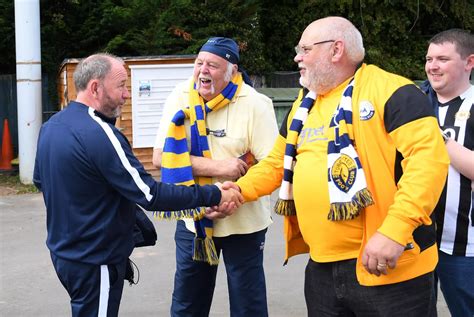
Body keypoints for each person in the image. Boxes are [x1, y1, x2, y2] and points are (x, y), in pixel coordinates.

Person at [220, 17, 450, 316]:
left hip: (389, 265)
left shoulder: (395, 92)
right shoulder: (305, 105)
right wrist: (239, 190)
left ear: (336, 50)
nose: (297, 57)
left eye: (304, 49)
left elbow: (428, 164)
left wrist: (394, 232)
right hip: (323, 269)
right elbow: (278, 163)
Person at [33, 53, 242, 317]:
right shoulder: (101, 134)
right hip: (95, 260)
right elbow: (150, 195)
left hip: (64, 255)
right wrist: (212, 194)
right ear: (96, 88)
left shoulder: (52, 126)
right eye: (121, 86)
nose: (127, 95)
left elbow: (43, 182)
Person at [152, 37, 278, 316]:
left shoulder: (256, 104)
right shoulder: (180, 96)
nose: (202, 71)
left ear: (232, 70)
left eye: (213, 65)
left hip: (244, 222)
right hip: (193, 220)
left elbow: (270, 162)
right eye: (199, 63)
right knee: (187, 303)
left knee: (249, 305)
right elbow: (160, 158)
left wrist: (233, 196)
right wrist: (220, 168)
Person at [421, 29, 474, 317]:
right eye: (429, 58)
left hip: (465, 246)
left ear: (469, 63)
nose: (433, 66)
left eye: (443, 58)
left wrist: (437, 139)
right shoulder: (415, 103)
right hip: (415, 240)